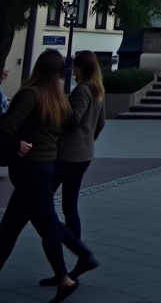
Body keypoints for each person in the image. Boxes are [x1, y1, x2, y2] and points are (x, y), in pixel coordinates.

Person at [0, 49, 94, 299]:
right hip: (46, 166)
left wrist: (17, 142)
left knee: (31, 225)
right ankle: (67, 275)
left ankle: (71, 270)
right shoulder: (59, 99)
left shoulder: (31, 95)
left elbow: (6, 127)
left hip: (30, 168)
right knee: (23, 225)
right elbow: (70, 123)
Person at [48, 48, 106, 275]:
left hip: (68, 155)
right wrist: (88, 140)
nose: (73, 72)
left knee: (43, 202)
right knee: (69, 206)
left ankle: (77, 252)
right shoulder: (98, 89)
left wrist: (61, 103)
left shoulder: (83, 89)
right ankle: (79, 257)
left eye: (76, 67)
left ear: (83, 68)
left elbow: (74, 118)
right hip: (83, 155)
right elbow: (100, 123)